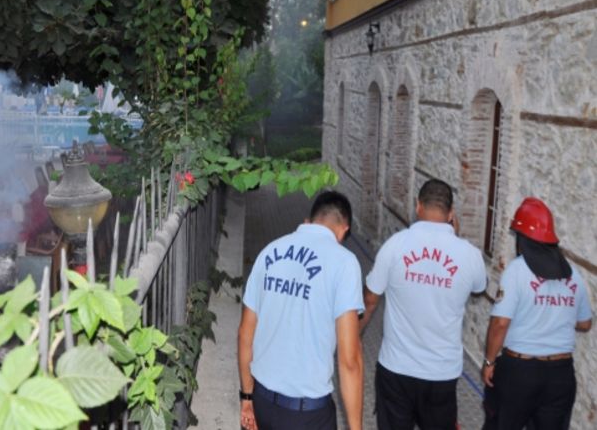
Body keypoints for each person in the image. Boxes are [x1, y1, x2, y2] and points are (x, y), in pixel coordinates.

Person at [360, 179, 486, 429]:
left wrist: (352, 336)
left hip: (396, 370)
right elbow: (478, 288)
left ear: (418, 206)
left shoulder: (395, 246)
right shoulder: (470, 255)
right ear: (451, 214)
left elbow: (370, 300)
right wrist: (456, 239)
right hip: (441, 375)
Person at [238, 191, 364, 430]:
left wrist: (247, 398)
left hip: (263, 403)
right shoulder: (345, 263)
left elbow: (245, 333)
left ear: (309, 220)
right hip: (308, 415)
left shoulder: (269, 252)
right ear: (344, 229)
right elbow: (350, 360)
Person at [481, 197, 592, 429]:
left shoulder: (517, 270)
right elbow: (585, 323)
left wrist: (489, 361)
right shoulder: (573, 275)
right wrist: (556, 314)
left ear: (522, 239)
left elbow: (500, 324)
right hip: (561, 375)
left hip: (520, 372)